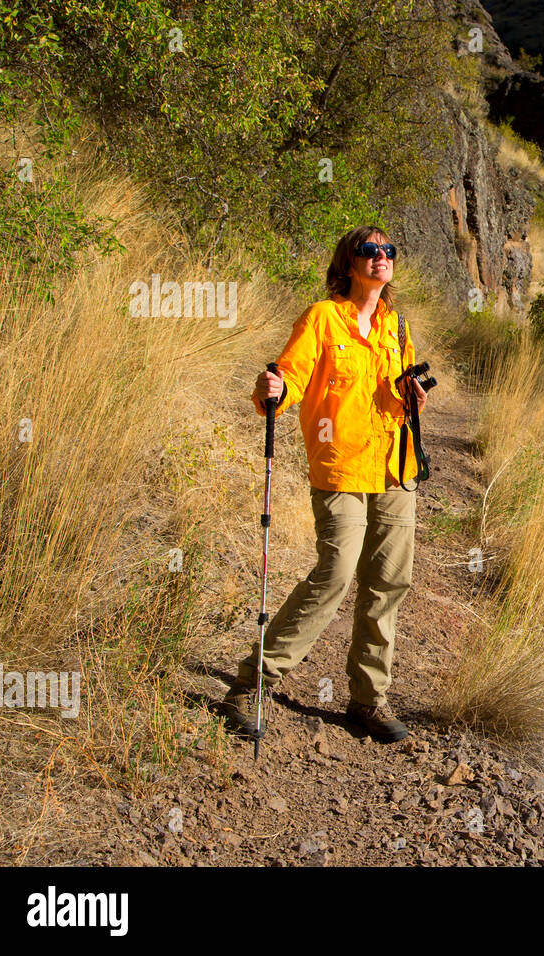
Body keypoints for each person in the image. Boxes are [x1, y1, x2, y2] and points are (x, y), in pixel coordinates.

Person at [222, 225, 428, 744]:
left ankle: (369, 700)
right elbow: (291, 375)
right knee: (335, 573)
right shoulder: (321, 318)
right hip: (340, 467)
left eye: (388, 251)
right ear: (348, 261)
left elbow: (401, 391)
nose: (380, 258)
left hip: (395, 468)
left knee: (389, 583)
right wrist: (274, 389)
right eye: (369, 250)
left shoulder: (397, 327)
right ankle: (253, 684)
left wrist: (415, 396)